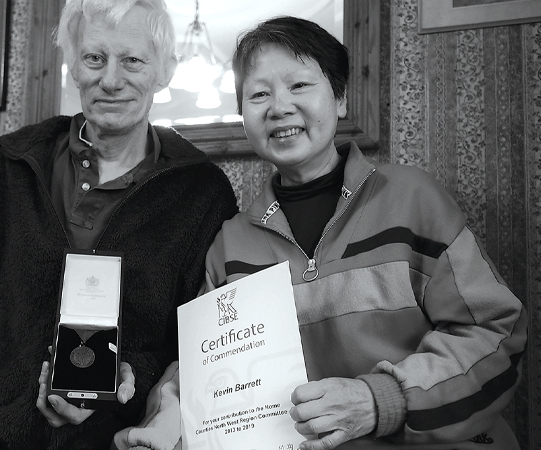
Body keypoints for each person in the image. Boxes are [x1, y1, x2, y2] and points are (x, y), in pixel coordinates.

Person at [115, 15, 528, 450]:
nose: (278, 107)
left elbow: (497, 333)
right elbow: (203, 365)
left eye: (299, 85)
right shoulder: (230, 244)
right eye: (258, 94)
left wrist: (380, 399)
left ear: (341, 98)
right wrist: (169, 421)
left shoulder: (413, 201)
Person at [0, 0, 238, 448]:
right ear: (72, 66)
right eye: (94, 58)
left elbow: (199, 349)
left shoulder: (202, 192)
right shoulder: (15, 168)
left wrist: (125, 382)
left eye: (132, 60)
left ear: (165, 70)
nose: (111, 80)